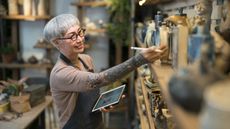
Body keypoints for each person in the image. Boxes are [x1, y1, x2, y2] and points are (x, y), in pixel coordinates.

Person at [43, 14, 167, 129]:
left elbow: (89, 92)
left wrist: (101, 104)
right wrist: (139, 60)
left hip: (96, 124)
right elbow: (98, 80)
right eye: (72, 36)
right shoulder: (60, 73)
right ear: (56, 42)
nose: (80, 39)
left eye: (80, 32)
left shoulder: (86, 59)